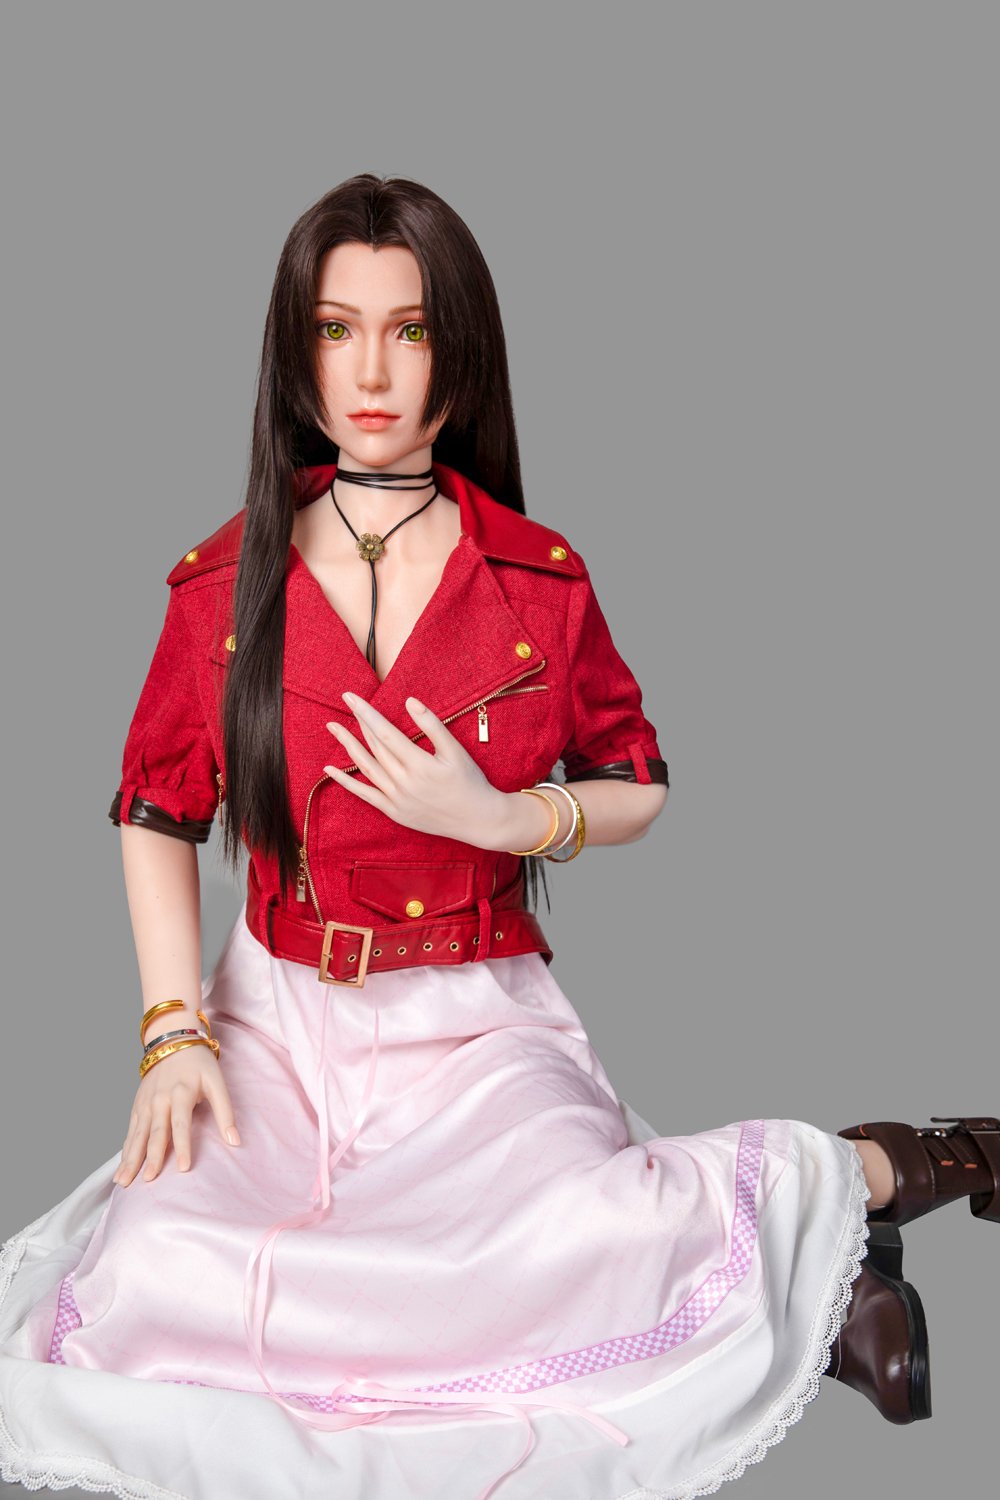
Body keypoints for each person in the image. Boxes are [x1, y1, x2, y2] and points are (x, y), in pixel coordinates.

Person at [0, 173, 996, 1500]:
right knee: (159, 1264)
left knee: (578, 1229)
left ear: (458, 353)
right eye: (335, 330)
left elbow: (636, 779)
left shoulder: (535, 579)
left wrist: (506, 818)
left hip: (472, 1015)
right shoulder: (222, 587)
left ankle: (881, 1177)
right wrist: (173, 1032)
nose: (371, 372)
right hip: (274, 1018)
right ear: (294, 354)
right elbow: (154, 808)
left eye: (409, 330)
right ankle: (846, 1247)